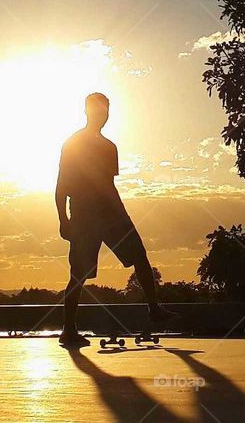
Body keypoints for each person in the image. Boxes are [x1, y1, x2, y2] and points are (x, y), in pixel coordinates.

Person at [56, 93, 174, 347]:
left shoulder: (109, 147)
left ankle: (154, 309)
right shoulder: (73, 144)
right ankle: (68, 329)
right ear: (87, 112)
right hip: (85, 216)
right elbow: (62, 184)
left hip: (112, 213)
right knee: (79, 273)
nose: (103, 115)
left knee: (139, 256)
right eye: (99, 110)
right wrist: (63, 219)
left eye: (106, 110)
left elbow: (108, 184)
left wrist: (120, 213)